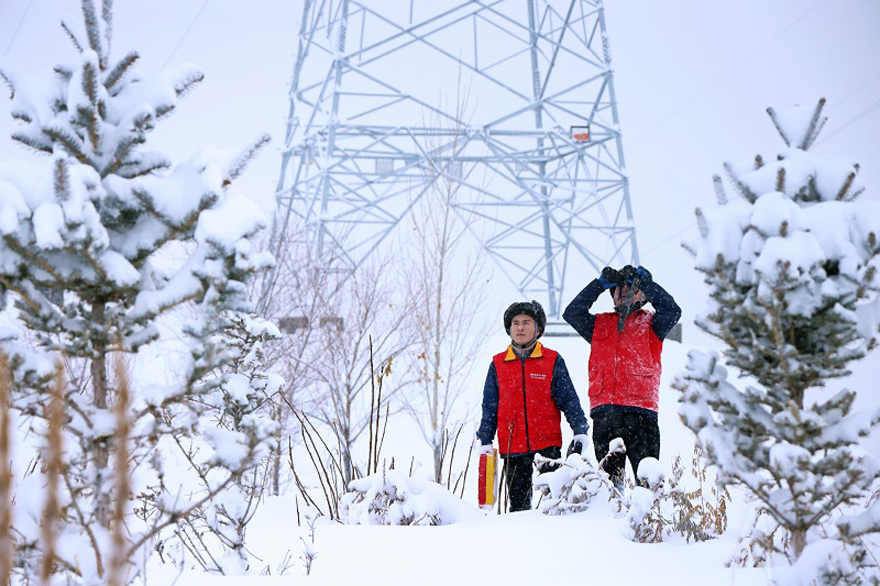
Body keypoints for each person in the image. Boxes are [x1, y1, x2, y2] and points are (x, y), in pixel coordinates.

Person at [562, 265, 681, 491]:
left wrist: (646, 284)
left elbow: (673, 310)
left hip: (641, 415)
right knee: (609, 487)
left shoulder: (653, 324)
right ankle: (610, 522)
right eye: (618, 287)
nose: (623, 291)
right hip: (605, 414)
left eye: (630, 286)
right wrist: (599, 284)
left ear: (643, 295)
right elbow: (572, 313)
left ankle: (648, 523)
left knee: (647, 484)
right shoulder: (598, 324)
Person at [476, 300, 590, 512]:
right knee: (519, 509)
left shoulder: (552, 360)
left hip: (547, 446)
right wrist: (485, 439)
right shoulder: (498, 364)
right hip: (513, 447)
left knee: (553, 505)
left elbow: (569, 400)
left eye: (526, 322)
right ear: (509, 329)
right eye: (515, 323)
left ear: (538, 329)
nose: (520, 327)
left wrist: (579, 429)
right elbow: (490, 407)